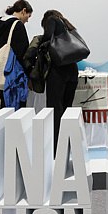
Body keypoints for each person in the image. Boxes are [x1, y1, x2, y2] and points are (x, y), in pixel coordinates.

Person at [41, 10, 80, 152]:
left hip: (57, 73)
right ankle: (67, 145)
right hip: (72, 72)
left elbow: (46, 39)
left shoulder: (51, 19)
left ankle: (56, 147)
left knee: (55, 109)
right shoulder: (68, 27)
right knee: (67, 108)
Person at [0, 0, 33, 108]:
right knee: (16, 106)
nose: (27, 20)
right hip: (13, 75)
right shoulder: (17, 25)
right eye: (28, 16)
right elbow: (23, 53)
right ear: (23, 11)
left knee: (4, 104)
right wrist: (29, 71)